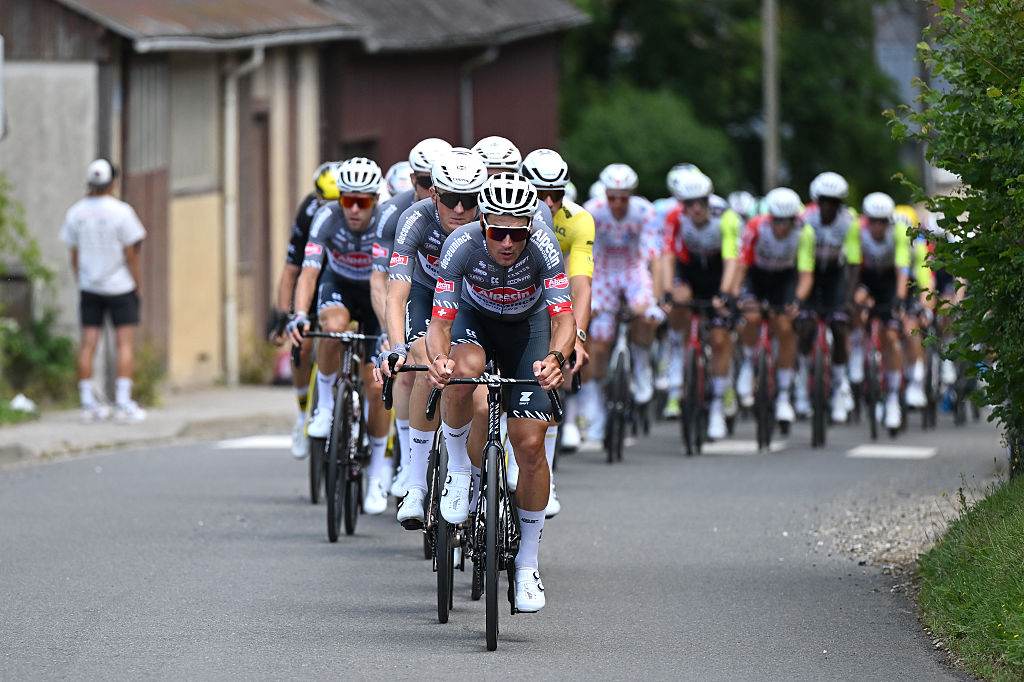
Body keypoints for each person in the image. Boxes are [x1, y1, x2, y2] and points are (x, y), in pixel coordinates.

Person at [425, 172, 576, 612]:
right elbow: (440, 324)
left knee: (529, 446)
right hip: (477, 321)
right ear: (483, 221)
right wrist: (438, 360)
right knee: (462, 370)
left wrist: (557, 359)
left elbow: (564, 320)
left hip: (528, 329)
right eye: (498, 231)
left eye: (517, 233)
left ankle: (527, 565)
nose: (508, 242)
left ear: (530, 226)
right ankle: (457, 471)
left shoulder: (545, 246)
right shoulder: (462, 244)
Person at [374, 147, 489, 529]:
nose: (459, 208)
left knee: (482, 394)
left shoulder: (492, 222)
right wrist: (396, 347)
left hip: (474, 300)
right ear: (434, 194)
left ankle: (481, 475)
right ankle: (416, 483)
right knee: (425, 358)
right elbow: (397, 293)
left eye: (469, 200)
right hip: (427, 295)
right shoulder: (414, 218)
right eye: (450, 199)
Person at [287, 157, 392, 515]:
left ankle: (376, 475)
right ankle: (327, 407)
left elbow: (388, 286)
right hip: (341, 285)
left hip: (378, 291)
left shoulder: (386, 220)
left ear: (376, 199)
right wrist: (299, 315)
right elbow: (308, 273)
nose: (355, 209)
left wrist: (391, 335)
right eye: (348, 200)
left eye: (363, 201)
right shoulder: (326, 217)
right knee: (330, 329)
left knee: (377, 387)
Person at [516, 148, 594, 515]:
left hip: (550, 302)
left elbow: (580, 285)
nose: (549, 202)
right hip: (506, 299)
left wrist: (577, 339)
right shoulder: (507, 213)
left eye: (557, 194)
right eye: (541, 193)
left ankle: (545, 473)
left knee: (553, 369)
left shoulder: (578, 221)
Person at [371, 137, 451, 498]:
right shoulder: (401, 214)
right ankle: (410, 465)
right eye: (420, 181)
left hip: (464, 298)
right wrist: (394, 339)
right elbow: (387, 285)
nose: (424, 189)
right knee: (415, 364)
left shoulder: (468, 212)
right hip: (421, 292)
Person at [60, 158, 147, 423]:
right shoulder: (121, 212)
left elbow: (73, 256)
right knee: (124, 344)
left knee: (88, 344)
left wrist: (82, 279)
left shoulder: (75, 213)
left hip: (90, 286)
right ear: (112, 182)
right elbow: (131, 253)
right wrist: (137, 284)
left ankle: (87, 403)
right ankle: (123, 402)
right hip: (120, 285)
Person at [581, 163, 663, 442]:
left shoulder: (644, 211)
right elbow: (582, 254)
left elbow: (654, 254)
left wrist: (656, 298)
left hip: (633, 270)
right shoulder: (592, 210)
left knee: (647, 314)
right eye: (612, 196)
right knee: (600, 342)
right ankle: (597, 408)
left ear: (631, 195)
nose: (617, 203)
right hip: (602, 271)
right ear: (605, 194)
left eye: (623, 196)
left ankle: (641, 366)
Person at [657, 170, 740, 440]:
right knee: (679, 301)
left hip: (718, 274)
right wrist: (667, 291)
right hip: (689, 269)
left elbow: (731, 260)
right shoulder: (675, 217)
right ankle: (679, 351)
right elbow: (668, 255)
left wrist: (725, 294)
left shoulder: (725, 217)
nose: (694, 209)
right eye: (688, 203)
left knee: (718, 339)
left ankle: (717, 403)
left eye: (699, 202)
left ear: (708, 200)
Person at [730, 187, 816, 427]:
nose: (781, 226)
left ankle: (784, 396)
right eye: (777, 220)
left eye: (786, 221)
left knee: (785, 327)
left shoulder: (804, 232)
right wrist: (735, 294)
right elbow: (741, 264)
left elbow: (806, 274)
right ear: (770, 216)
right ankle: (747, 362)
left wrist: (798, 300)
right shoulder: (756, 226)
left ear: (794, 219)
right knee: (752, 316)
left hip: (784, 280)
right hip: (756, 277)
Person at [270, 161, 339, 458]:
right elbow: (291, 271)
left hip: (349, 283)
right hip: (314, 280)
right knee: (305, 339)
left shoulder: (364, 210)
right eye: (326, 200)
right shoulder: (308, 211)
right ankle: (302, 416)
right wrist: (284, 317)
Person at [795, 172, 861, 423]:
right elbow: (799, 261)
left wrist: (849, 298)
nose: (828, 207)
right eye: (824, 201)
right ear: (816, 200)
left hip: (835, 275)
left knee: (840, 324)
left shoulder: (849, 222)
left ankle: (839, 387)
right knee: (805, 325)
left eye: (833, 202)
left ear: (840, 203)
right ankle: (801, 385)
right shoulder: (805, 219)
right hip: (808, 272)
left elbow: (854, 263)